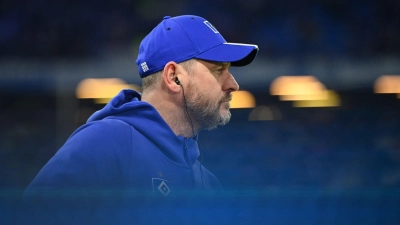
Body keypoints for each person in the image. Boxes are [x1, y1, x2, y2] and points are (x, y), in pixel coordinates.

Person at [24, 15, 258, 200]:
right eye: (219, 70)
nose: (233, 84)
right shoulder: (105, 143)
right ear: (174, 77)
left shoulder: (208, 184)